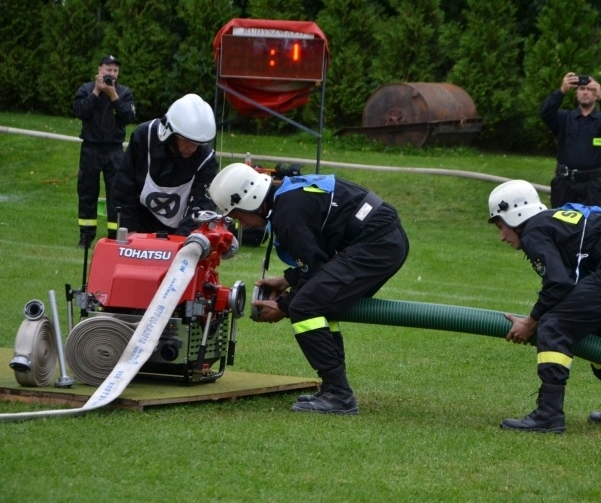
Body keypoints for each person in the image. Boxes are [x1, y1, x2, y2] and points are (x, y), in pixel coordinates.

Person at [208, 163, 410, 415]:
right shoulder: (287, 196)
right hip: (380, 239)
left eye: (238, 216)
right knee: (320, 302)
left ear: (251, 201)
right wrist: (288, 279)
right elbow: (318, 254)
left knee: (305, 307)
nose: (243, 225)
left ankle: (339, 395)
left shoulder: (287, 213)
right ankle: (334, 388)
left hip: (376, 245)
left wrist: (282, 306)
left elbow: (314, 268)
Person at [488, 180, 601, 433]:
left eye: (500, 226)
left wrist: (531, 321)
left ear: (515, 215)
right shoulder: (551, 221)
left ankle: (549, 415)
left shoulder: (534, 229)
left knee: (553, 325)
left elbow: (559, 283)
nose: (502, 236)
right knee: (596, 335)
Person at [111, 93, 218, 236]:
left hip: (181, 228)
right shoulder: (144, 137)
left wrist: (182, 241)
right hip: (138, 223)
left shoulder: (206, 159)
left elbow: (202, 206)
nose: (192, 148)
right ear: (170, 134)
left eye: (197, 144)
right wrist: (128, 230)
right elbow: (123, 188)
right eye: (187, 141)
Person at [73, 55, 136, 248]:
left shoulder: (124, 93)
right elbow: (79, 112)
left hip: (114, 151)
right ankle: (86, 235)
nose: (112, 74)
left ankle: (114, 233)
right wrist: (96, 92)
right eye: (108, 70)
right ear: (100, 70)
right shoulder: (86, 89)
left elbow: (129, 117)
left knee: (116, 194)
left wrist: (113, 95)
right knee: (87, 191)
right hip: (91, 148)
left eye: (115, 71)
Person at [539, 72, 601, 208]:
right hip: (564, 183)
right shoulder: (564, 119)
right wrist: (561, 91)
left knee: (588, 226)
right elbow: (545, 113)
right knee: (560, 225)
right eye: (582, 89)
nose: (585, 92)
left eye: (590, 89)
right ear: (576, 92)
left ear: (596, 94)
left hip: (591, 186)